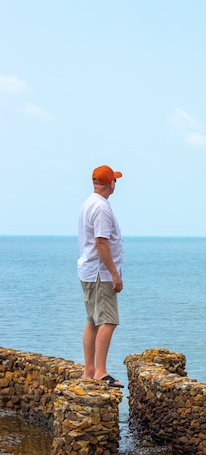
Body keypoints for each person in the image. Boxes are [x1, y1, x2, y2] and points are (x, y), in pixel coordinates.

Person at [77, 164, 125, 388]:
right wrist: (114, 273)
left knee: (92, 321)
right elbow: (101, 242)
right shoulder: (102, 208)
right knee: (109, 321)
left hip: (88, 271)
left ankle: (89, 370)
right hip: (100, 273)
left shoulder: (88, 203)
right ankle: (100, 372)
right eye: (115, 180)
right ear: (111, 184)